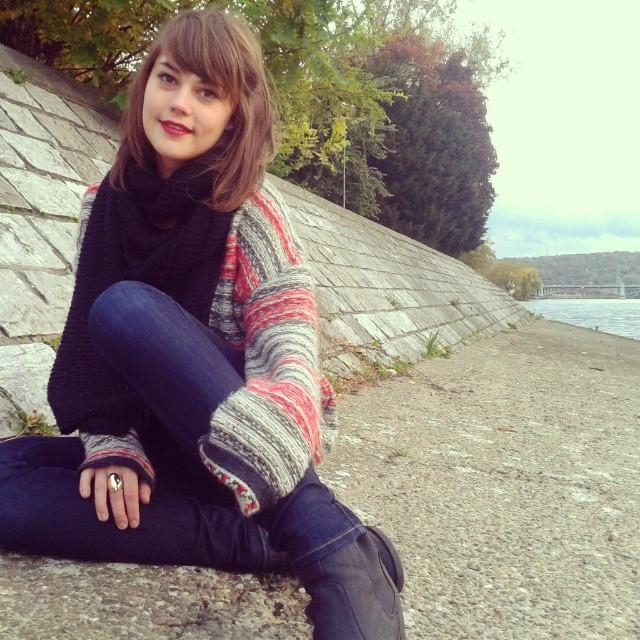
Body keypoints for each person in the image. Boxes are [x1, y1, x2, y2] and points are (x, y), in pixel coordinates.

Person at [0, 8, 405, 639]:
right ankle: (274, 542)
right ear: (146, 84)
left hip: (252, 446)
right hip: (157, 448)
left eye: (207, 92)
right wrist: (112, 447)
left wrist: (271, 445)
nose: (180, 103)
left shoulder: (253, 211)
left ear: (234, 114)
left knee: (127, 310)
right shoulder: (101, 205)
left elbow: (290, 349)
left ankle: (321, 540)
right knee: (7, 483)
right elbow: (88, 357)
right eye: (168, 79)